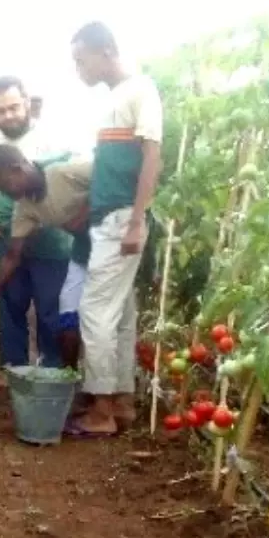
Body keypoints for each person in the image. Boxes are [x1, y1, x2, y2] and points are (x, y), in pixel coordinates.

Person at [65, 21, 164, 438]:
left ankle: (100, 409)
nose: (78, 69)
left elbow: (152, 158)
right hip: (112, 217)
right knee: (120, 313)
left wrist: (137, 220)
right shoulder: (116, 100)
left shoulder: (141, 90)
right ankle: (121, 403)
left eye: (80, 59)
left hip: (122, 219)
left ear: (106, 52)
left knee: (95, 311)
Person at [0, 144, 92, 370]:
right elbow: (12, 258)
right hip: (83, 251)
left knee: (98, 318)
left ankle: (101, 390)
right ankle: (66, 380)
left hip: (112, 243)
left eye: (4, 185)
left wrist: (85, 213)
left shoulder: (63, 172)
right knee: (68, 317)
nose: (4, 193)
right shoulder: (25, 208)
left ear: (17, 168)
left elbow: (110, 180)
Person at [0, 76, 72, 370]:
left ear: (27, 103)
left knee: (50, 307)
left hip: (50, 239)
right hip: (6, 237)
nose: (8, 116)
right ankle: (13, 369)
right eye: (0, 110)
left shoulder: (51, 137)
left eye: (13, 107)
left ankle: (51, 368)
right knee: (11, 305)